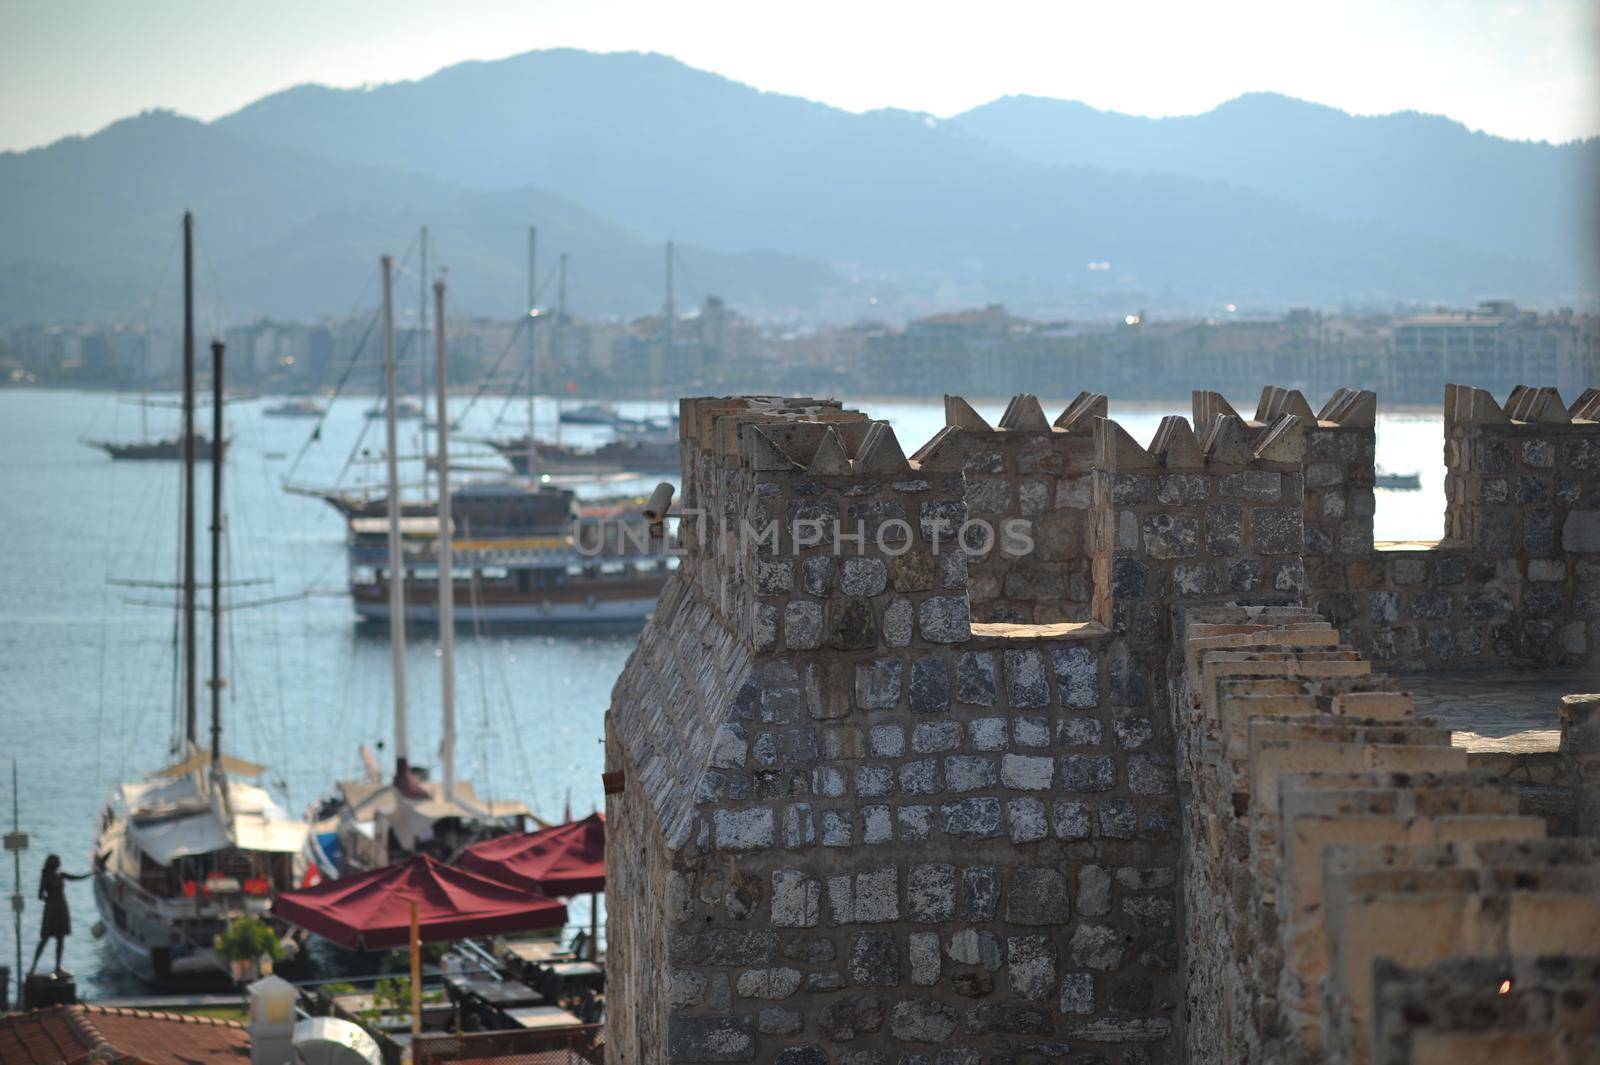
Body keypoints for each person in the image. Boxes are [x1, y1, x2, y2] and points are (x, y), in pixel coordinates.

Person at [29, 854, 89, 976]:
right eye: (58, 861)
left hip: (61, 907)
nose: (60, 863)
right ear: (53, 863)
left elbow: (76, 878)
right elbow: (40, 895)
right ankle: (33, 967)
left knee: (61, 938)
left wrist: (90, 874)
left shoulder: (61, 875)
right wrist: (49, 899)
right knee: (45, 938)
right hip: (52, 909)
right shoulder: (45, 877)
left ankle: (57, 967)